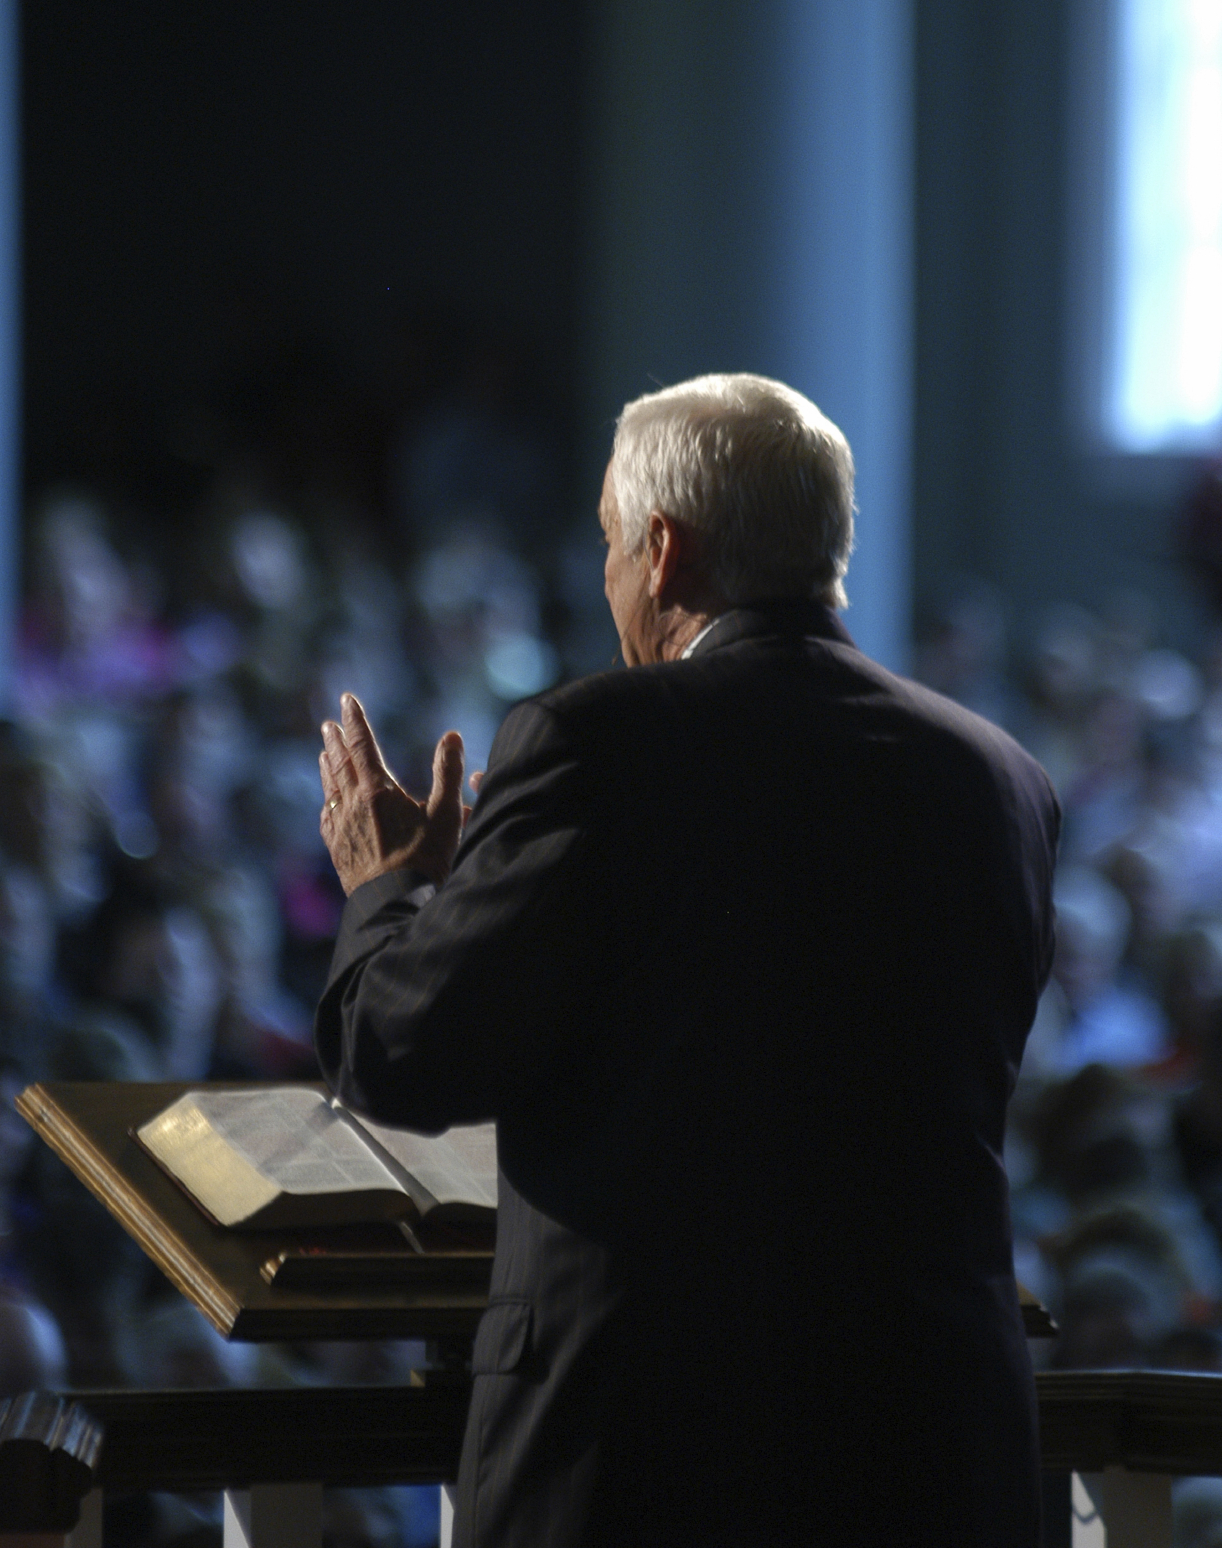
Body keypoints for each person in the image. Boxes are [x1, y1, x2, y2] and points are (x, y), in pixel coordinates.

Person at [314, 373, 1061, 1547]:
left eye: (610, 544)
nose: (608, 577)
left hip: (650, 1445)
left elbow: (403, 1054)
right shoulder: (999, 777)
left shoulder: (597, 742)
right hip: (931, 1445)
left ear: (661, 549)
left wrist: (387, 888)